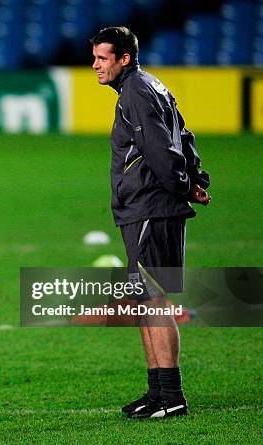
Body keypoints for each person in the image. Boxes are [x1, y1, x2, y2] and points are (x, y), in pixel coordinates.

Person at [90, 26, 211, 419]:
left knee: (154, 302)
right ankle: (157, 392)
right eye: (94, 58)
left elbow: (161, 148)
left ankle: (171, 396)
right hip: (144, 207)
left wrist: (181, 184)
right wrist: (194, 180)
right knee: (145, 302)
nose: (95, 66)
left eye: (102, 58)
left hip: (150, 208)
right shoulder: (149, 87)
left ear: (124, 58)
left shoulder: (136, 92)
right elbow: (185, 133)